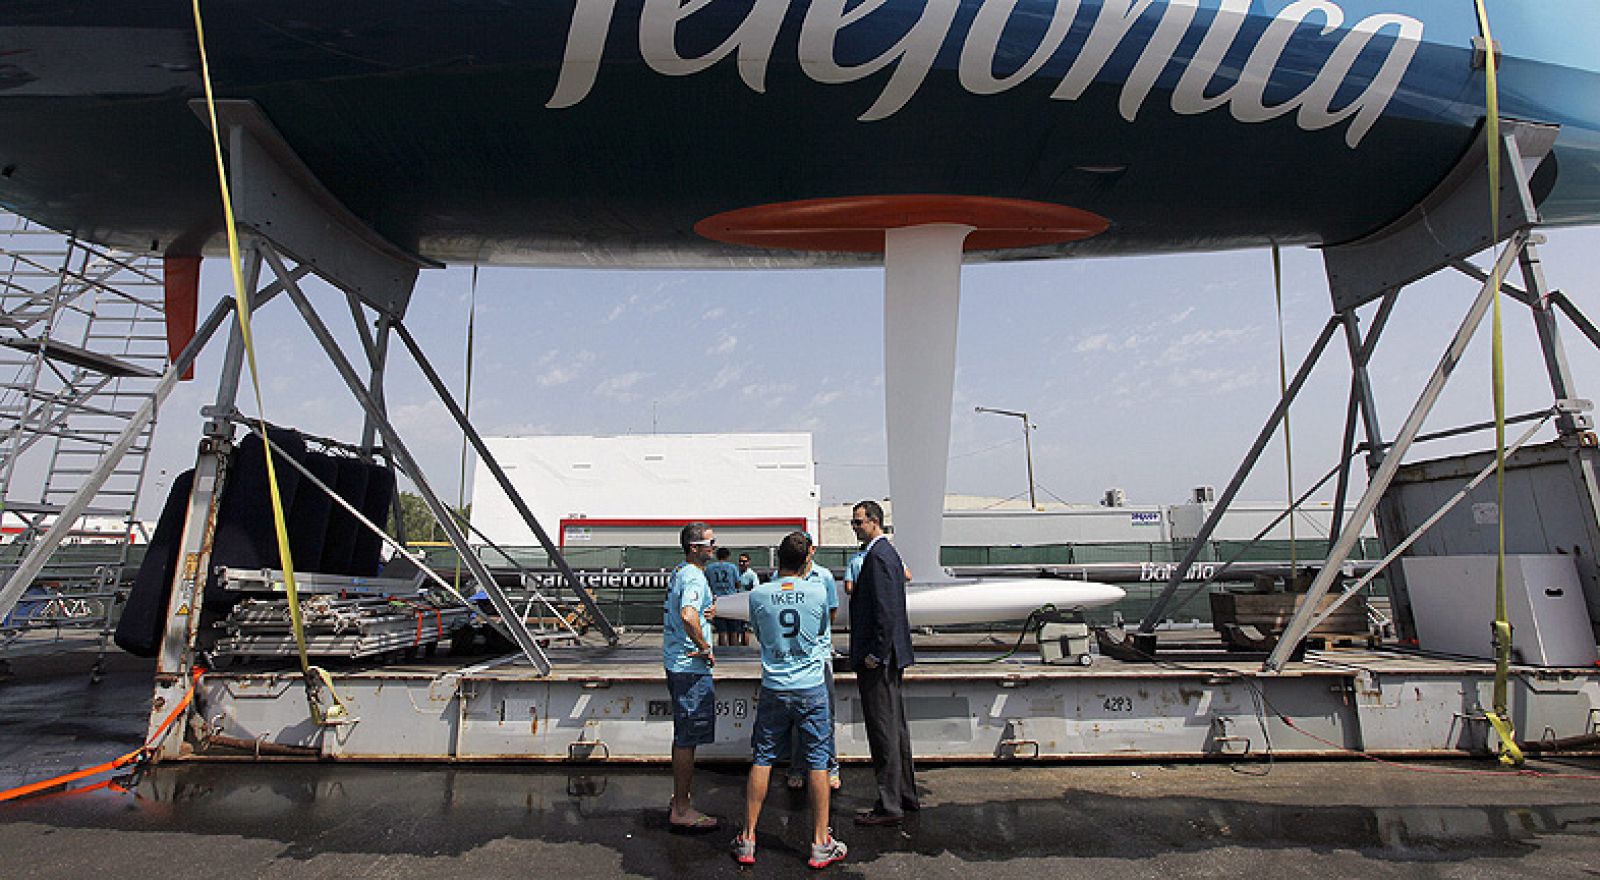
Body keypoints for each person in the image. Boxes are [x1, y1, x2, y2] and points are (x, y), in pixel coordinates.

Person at [732, 531, 848, 869]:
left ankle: (748, 838)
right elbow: (825, 626)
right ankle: (820, 842)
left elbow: (757, 630)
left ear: (777, 559)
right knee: (818, 763)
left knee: (763, 758)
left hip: (775, 685)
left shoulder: (758, 594)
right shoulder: (816, 590)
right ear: (806, 559)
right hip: (810, 685)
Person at [848, 500, 919, 826]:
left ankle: (890, 804)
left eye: (858, 522)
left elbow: (884, 612)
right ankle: (904, 794)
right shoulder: (887, 554)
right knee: (896, 728)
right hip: (892, 656)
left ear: (873, 522)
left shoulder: (876, 558)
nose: (854, 528)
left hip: (881, 660)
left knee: (884, 731)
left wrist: (875, 653)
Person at [663, 521, 720, 832]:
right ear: (695, 547)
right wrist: (704, 646)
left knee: (682, 735)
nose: (714, 546)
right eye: (710, 542)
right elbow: (687, 614)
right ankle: (682, 808)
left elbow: (688, 609)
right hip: (689, 666)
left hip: (675, 660)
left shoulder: (680, 572)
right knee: (687, 738)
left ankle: (679, 797)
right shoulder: (695, 576)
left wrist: (705, 612)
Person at [785, 541, 841, 791]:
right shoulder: (783, 578)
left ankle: (831, 766)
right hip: (794, 656)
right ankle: (797, 767)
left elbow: (831, 612)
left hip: (819, 655)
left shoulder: (824, 577)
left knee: (825, 715)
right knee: (797, 716)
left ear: (812, 551)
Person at [706, 547, 743, 647]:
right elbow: (738, 583)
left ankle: (723, 653)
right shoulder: (732, 567)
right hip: (732, 600)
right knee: (734, 631)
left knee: (722, 631)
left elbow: (707, 584)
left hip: (717, 600)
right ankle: (734, 653)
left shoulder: (710, 568)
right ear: (728, 556)